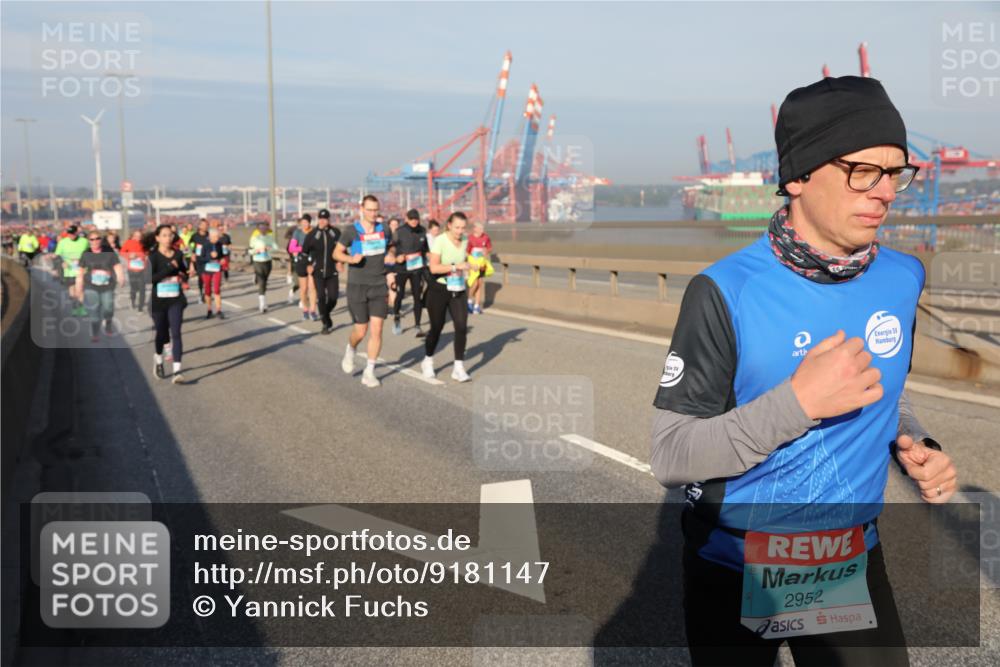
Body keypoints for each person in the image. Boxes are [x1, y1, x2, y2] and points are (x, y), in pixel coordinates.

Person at [649, 77, 956, 667]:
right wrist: (798, 402)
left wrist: (913, 441)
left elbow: (889, 389)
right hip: (736, 563)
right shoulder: (724, 290)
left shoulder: (902, 276)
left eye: (895, 173)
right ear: (797, 176)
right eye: (863, 170)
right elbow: (671, 454)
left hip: (850, 558)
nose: (885, 192)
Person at [333, 195, 396, 387]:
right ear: (362, 209)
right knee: (361, 331)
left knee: (377, 330)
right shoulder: (351, 231)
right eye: (369, 210)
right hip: (358, 285)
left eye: (376, 210)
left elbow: (391, 248)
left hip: (378, 285)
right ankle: (351, 349)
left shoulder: (384, 229)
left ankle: (369, 372)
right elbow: (336, 253)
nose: (373, 213)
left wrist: (391, 259)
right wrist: (351, 260)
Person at [420, 211, 472, 382]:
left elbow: (465, 259)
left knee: (462, 326)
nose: (460, 231)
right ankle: (428, 360)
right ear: (449, 225)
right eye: (457, 227)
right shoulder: (440, 240)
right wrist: (456, 266)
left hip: (458, 288)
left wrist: (473, 266)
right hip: (439, 289)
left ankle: (458, 367)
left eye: (463, 228)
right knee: (437, 328)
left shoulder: (465, 240)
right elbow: (434, 268)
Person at [146, 224, 189, 384]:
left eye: (170, 235)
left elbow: (183, 272)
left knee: (176, 332)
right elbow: (149, 279)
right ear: (157, 238)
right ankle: (158, 359)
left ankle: (177, 370)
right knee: (162, 334)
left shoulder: (178, 254)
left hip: (175, 299)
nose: (168, 238)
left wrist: (185, 275)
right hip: (159, 301)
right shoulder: (153, 257)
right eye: (164, 235)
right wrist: (169, 268)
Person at [76, 231, 125, 342]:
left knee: (108, 308)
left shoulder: (109, 252)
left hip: (107, 286)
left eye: (97, 238)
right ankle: (95, 332)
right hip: (91, 286)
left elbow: (117, 265)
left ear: (101, 240)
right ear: (88, 241)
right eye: (92, 239)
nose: (95, 241)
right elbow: (80, 271)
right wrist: (78, 287)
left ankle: (108, 322)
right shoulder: (85, 254)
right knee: (94, 311)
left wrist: (120, 277)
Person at [302, 208, 342, 334]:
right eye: (321, 219)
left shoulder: (335, 232)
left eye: (326, 219)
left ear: (329, 219)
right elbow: (304, 253)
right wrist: (308, 265)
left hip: (332, 271)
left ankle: (325, 313)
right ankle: (326, 323)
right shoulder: (312, 235)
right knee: (321, 297)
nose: (323, 221)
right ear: (318, 219)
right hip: (317, 271)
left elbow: (342, 250)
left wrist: (341, 262)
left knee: (333, 297)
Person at [391, 209, 428, 337]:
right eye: (411, 219)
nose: (414, 221)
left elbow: (425, 249)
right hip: (402, 268)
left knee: (417, 297)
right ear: (406, 219)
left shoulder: (422, 230)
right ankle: (396, 319)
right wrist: (397, 257)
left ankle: (417, 326)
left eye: (416, 219)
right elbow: (391, 247)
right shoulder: (399, 232)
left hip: (417, 268)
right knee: (400, 294)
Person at [54, 225, 90, 316]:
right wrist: (62, 262)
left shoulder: (84, 241)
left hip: (81, 269)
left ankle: (81, 309)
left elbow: (90, 253)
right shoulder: (62, 242)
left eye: (73, 234)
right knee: (72, 291)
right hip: (69, 270)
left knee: (80, 289)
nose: (71, 236)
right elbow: (57, 255)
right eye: (69, 234)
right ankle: (75, 308)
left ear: (77, 232)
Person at [289, 215, 318, 320]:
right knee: (304, 288)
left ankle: (313, 311)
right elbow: (291, 248)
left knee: (312, 287)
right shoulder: (297, 232)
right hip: (301, 261)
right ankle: (305, 310)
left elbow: (317, 246)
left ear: (310, 223)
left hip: (312, 261)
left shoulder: (314, 232)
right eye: (302, 222)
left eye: (306, 222)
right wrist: (303, 248)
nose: (304, 224)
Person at [195, 226, 227, 319]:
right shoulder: (204, 245)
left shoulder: (219, 244)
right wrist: (209, 256)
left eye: (218, 236)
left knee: (217, 289)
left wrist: (221, 259)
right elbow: (199, 258)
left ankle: (219, 310)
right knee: (208, 290)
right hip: (206, 270)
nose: (218, 238)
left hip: (216, 269)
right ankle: (209, 310)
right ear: (211, 236)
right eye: (216, 236)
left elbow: (222, 255)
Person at [249, 221, 279, 313]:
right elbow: (250, 251)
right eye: (261, 228)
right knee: (261, 281)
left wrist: (270, 248)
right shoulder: (255, 238)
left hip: (267, 261)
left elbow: (276, 248)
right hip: (258, 261)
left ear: (267, 228)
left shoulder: (270, 237)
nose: (263, 229)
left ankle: (263, 298)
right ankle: (262, 305)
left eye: (265, 227)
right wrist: (257, 250)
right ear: (258, 229)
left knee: (265, 281)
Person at [465, 221, 494, 314]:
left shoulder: (486, 237)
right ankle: (469, 301)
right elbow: (466, 252)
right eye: (480, 229)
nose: (482, 231)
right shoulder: (469, 238)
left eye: (483, 229)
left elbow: (489, 248)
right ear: (475, 229)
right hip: (472, 264)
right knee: (475, 284)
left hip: (482, 263)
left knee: (480, 283)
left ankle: (476, 306)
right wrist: (470, 261)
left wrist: (486, 251)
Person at [120, 229, 149, 311]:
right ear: (132, 236)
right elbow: (122, 252)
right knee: (134, 288)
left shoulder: (144, 243)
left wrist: (146, 257)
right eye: (136, 236)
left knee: (142, 289)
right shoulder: (128, 242)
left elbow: (147, 253)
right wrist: (129, 256)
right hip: (132, 270)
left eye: (139, 236)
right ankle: (133, 300)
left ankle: (140, 307)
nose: (138, 238)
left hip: (142, 270)